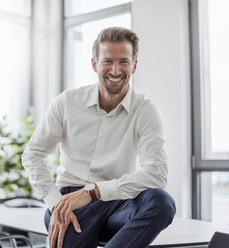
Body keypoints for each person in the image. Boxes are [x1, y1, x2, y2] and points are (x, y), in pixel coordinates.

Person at [22, 27, 176, 248]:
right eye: (107, 61)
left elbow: (157, 172)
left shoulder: (146, 110)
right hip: (70, 202)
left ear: (134, 65)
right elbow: (33, 154)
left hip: (118, 203)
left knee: (162, 203)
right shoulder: (68, 102)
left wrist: (94, 192)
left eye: (123, 61)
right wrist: (55, 203)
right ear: (94, 64)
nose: (115, 70)